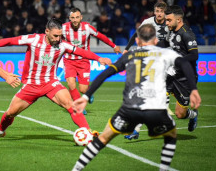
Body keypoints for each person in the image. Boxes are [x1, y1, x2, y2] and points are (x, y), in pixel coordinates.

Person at [71, 24, 201, 171]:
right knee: (171, 135)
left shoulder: (130, 55)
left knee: (103, 138)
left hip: (129, 109)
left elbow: (106, 73)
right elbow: (185, 64)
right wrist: (194, 90)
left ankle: (76, 169)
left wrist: (87, 96)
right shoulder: (167, 54)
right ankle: (164, 168)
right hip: (155, 110)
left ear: (138, 41)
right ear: (156, 41)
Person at [0, 18, 112, 142]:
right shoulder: (33, 39)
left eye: (60, 36)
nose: (58, 39)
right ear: (47, 31)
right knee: (10, 113)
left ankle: (88, 132)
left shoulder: (63, 45)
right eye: (55, 36)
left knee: (70, 104)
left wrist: (99, 58)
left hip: (51, 83)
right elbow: (10, 41)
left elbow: (81, 51)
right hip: (31, 85)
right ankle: (0, 132)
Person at [123, 1, 169, 139]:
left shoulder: (169, 23)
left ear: (165, 12)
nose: (159, 13)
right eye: (157, 11)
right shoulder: (148, 22)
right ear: (154, 11)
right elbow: (136, 35)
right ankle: (137, 129)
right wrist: (127, 49)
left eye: (161, 11)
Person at [62, 8, 121, 114]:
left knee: (83, 90)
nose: (75, 20)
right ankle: (79, 106)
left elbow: (101, 36)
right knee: (71, 84)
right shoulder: (63, 28)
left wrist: (114, 46)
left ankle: (89, 92)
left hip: (84, 61)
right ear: (69, 18)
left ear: (81, 17)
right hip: (69, 61)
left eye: (77, 17)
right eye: (72, 18)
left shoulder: (87, 28)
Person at [160, 5, 200, 132]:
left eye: (169, 20)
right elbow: (167, 43)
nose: (166, 23)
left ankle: (193, 116)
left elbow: (194, 55)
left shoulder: (187, 33)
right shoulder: (171, 30)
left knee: (180, 114)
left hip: (186, 78)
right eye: (166, 20)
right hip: (172, 73)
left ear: (179, 19)